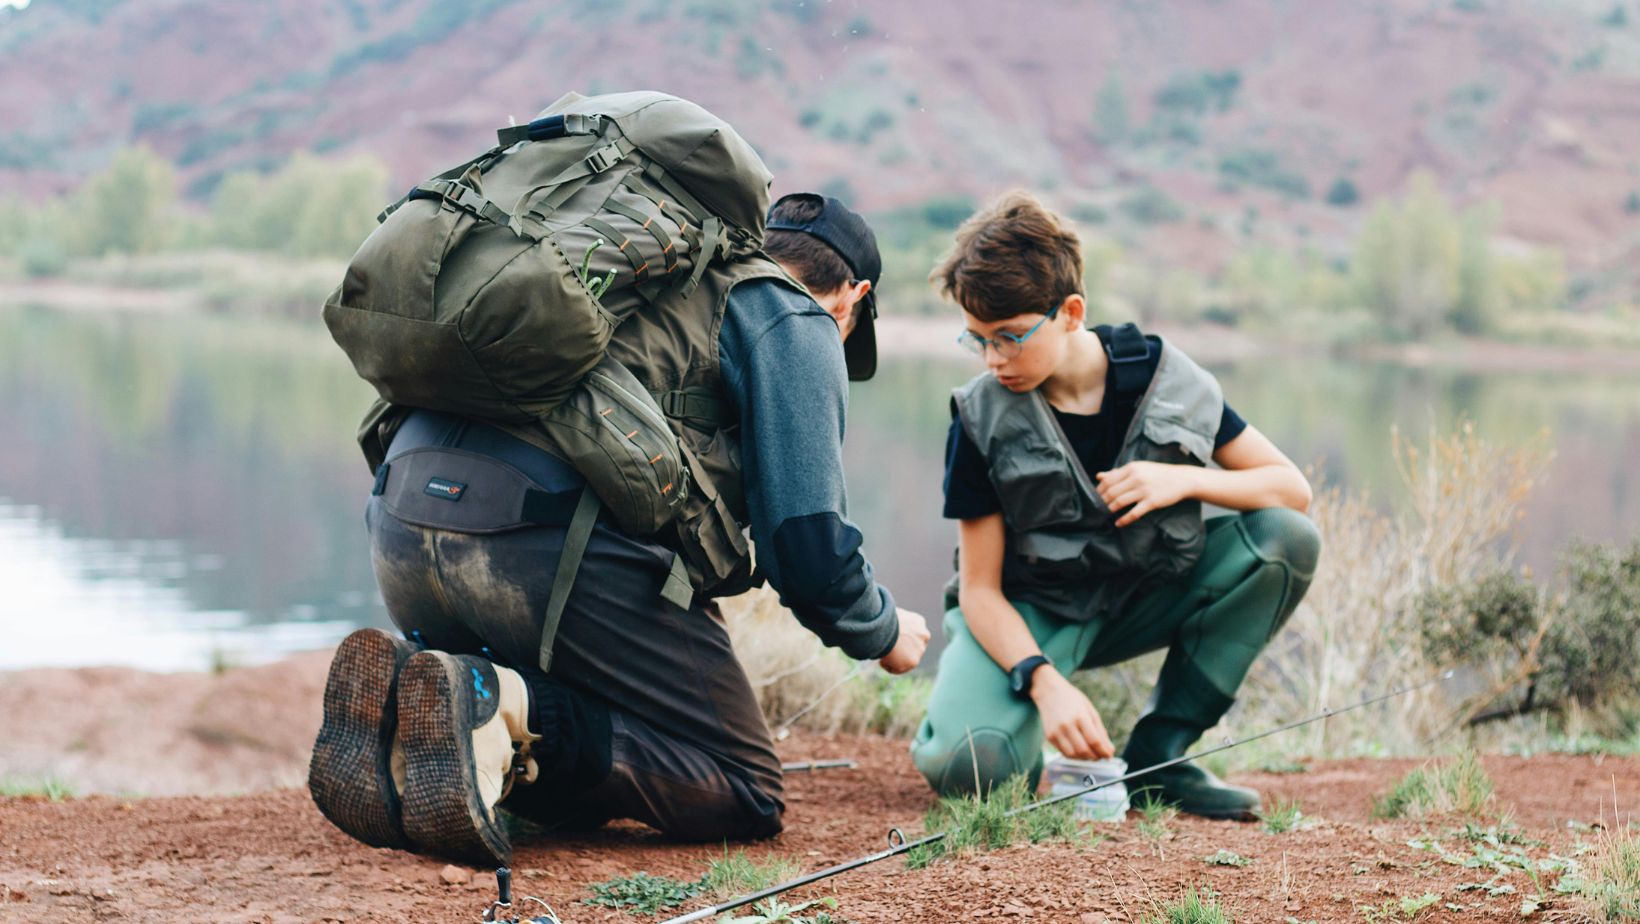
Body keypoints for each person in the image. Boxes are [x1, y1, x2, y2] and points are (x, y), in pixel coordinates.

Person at [309, 193, 930, 866]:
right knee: (744, 790)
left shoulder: (647, 278)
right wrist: (884, 631)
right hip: (545, 548)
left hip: (400, 520)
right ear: (853, 297)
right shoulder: (793, 313)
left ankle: (419, 703)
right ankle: (500, 703)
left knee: (591, 709)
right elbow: (807, 552)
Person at [909, 191, 1319, 819]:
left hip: (1142, 597)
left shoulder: (1168, 379)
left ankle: (1161, 759)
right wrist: (1044, 685)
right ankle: (994, 727)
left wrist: (1185, 481)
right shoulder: (979, 416)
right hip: (1033, 614)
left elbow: (1292, 491)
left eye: (1010, 338)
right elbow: (980, 591)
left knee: (1287, 539)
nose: (994, 360)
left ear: (1070, 312)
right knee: (974, 769)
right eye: (978, 341)